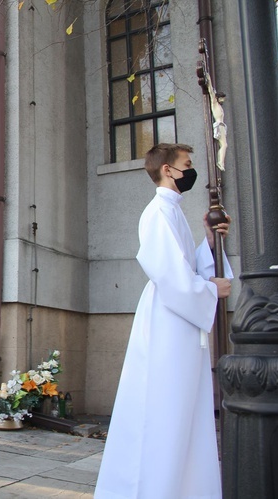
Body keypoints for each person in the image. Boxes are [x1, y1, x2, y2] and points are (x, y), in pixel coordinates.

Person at [94, 143, 233, 499]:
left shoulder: (173, 212)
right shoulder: (157, 212)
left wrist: (208, 239)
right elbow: (170, 275)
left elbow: (184, 266)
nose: (191, 170)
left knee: (183, 409)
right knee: (164, 408)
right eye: (187, 164)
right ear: (168, 170)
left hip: (179, 320)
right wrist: (207, 289)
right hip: (168, 321)